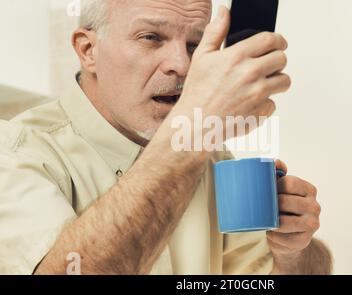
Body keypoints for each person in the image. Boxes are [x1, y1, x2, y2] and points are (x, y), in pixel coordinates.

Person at [0, 0, 331, 275]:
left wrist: (291, 253)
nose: (182, 65)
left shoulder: (211, 155)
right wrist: (195, 126)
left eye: (195, 45)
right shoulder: (16, 152)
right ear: (88, 50)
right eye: (151, 37)